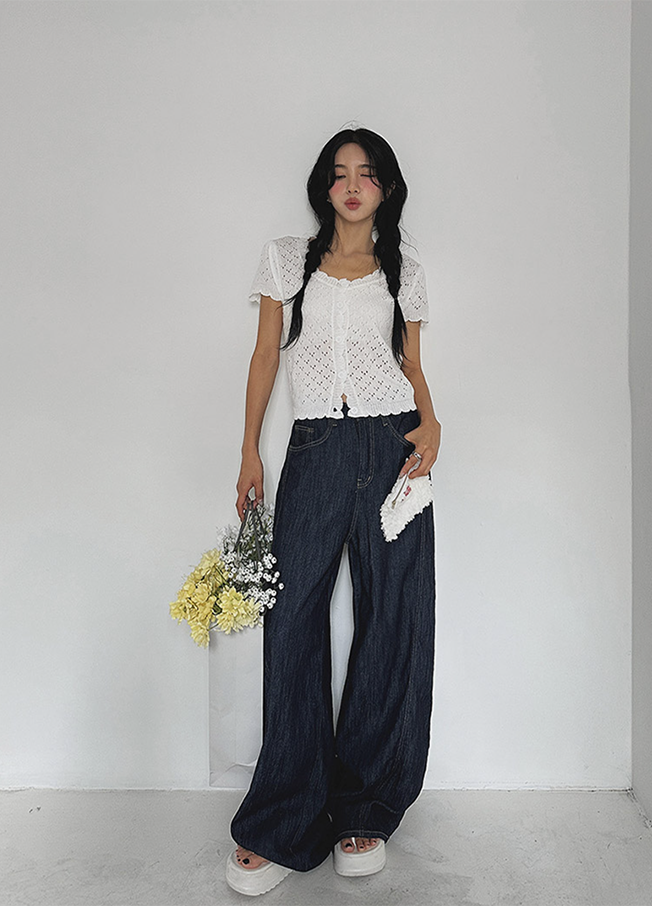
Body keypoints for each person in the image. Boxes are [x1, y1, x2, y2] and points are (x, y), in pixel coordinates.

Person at [225, 127, 440, 897]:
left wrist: (432, 421)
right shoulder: (289, 259)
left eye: (367, 174)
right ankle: (285, 817)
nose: (353, 185)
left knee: (394, 618)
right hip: (314, 449)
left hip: (394, 447)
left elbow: (411, 362)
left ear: (387, 188)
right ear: (324, 186)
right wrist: (251, 451)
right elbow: (264, 355)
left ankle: (365, 810)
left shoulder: (404, 269)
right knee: (291, 620)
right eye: (340, 173)